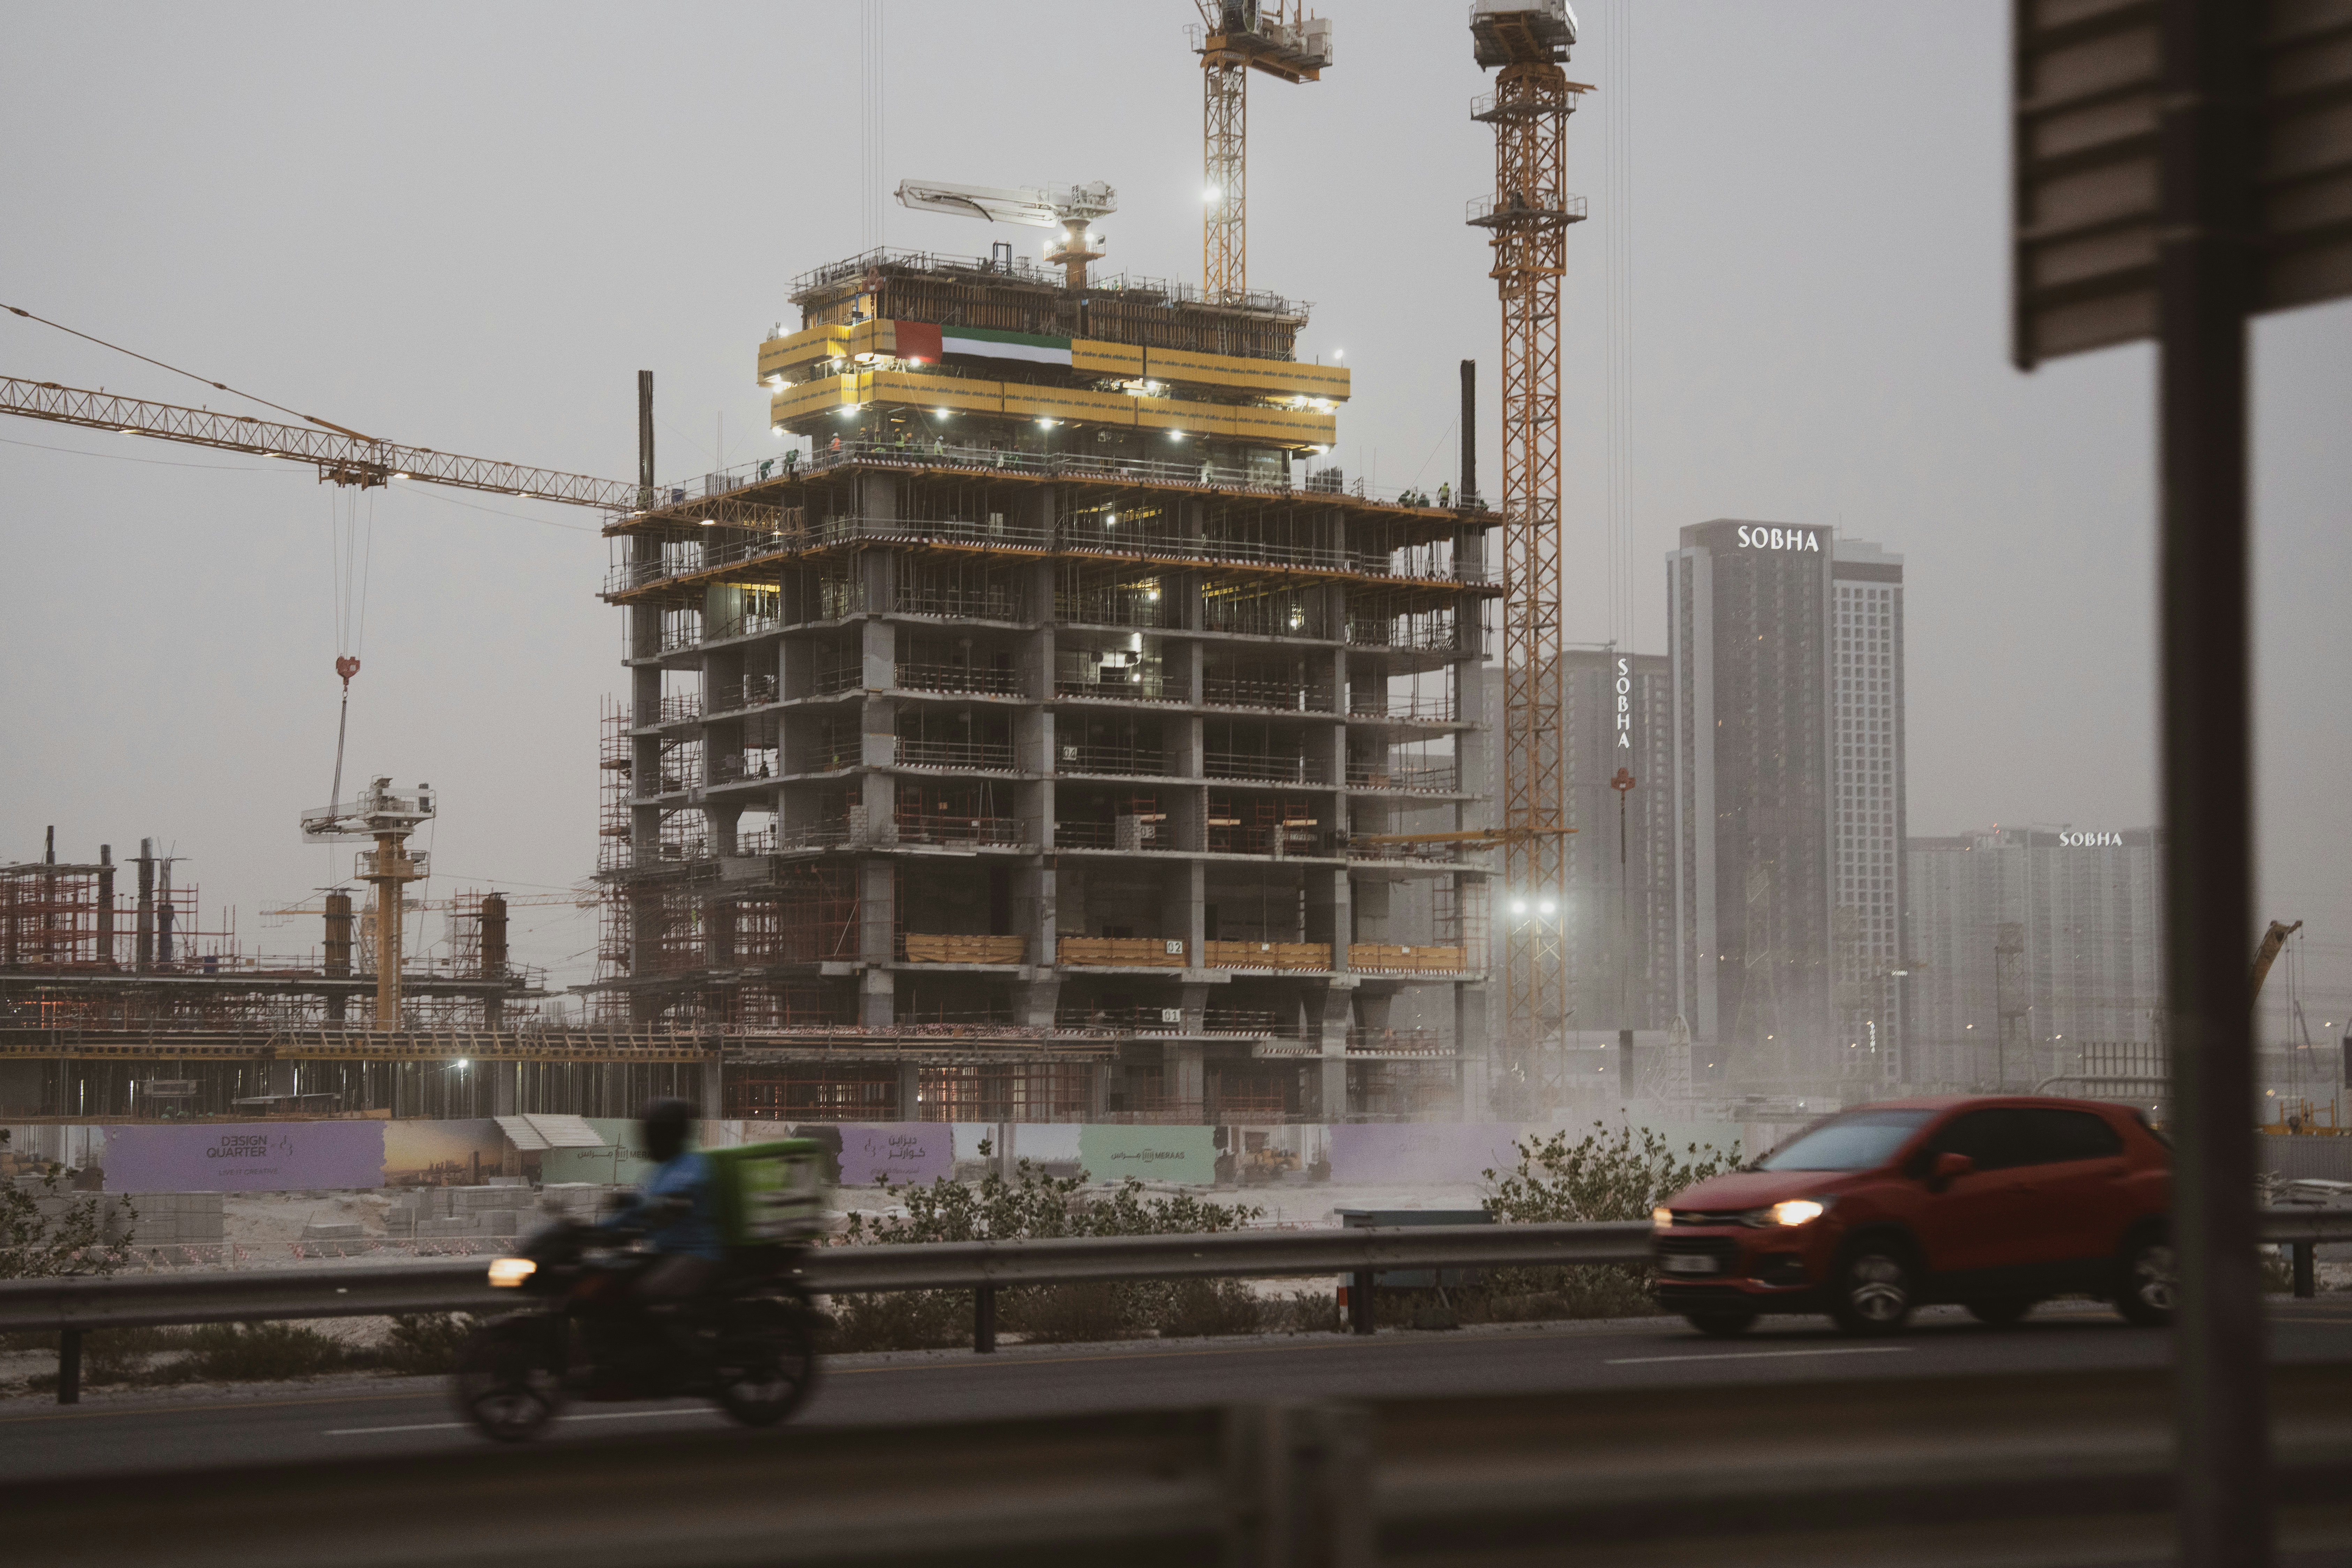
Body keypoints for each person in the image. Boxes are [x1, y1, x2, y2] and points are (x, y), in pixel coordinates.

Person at [602, 1098, 722, 1304]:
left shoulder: (693, 1166)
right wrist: (596, 1230)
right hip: (664, 1253)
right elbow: (634, 1212)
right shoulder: (658, 1173)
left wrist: (641, 1204)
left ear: (669, 1135)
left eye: (653, 1135)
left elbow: (671, 1201)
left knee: (644, 1294)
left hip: (695, 1254)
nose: (647, 1142)